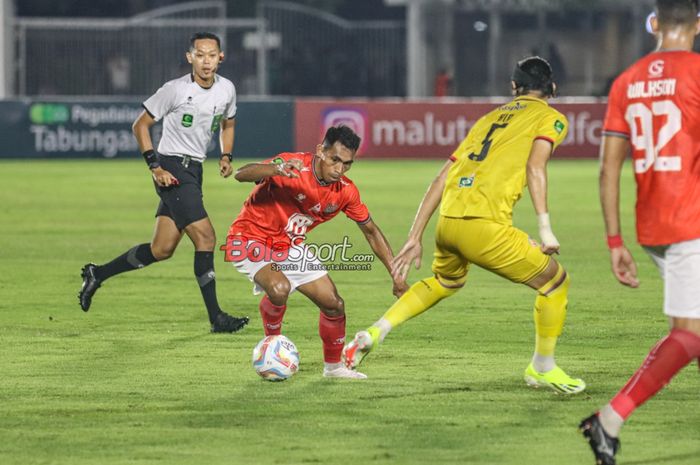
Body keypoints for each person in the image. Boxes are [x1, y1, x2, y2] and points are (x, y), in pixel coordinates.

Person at [343, 56, 586, 394]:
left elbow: (442, 176)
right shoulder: (551, 118)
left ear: (514, 88)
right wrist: (545, 227)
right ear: (553, 89)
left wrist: (415, 236)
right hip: (484, 226)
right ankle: (542, 367)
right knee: (555, 283)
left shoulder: (488, 119)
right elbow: (536, 167)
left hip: (449, 222)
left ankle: (375, 331)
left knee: (445, 280)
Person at [579, 2, 700, 464]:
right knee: (690, 335)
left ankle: (609, 421)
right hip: (691, 222)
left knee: (693, 329)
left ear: (654, 24)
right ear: (696, 25)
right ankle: (608, 420)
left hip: (653, 228)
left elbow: (608, 169)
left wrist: (615, 242)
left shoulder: (626, 82)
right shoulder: (696, 73)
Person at [78, 32, 249, 334]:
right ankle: (216, 318)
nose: (206, 60)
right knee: (206, 238)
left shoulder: (227, 90)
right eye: (200, 54)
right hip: (172, 168)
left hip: (194, 170)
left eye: (212, 55)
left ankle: (97, 273)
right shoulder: (175, 90)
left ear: (220, 57)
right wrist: (154, 166)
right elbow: (140, 125)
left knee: (162, 249)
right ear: (190, 57)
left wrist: (226, 154)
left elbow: (229, 122)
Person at [224, 125, 408, 379]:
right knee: (279, 289)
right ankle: (272, 343)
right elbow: (242, 174)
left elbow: (371, 231)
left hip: (289, 246)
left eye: (347, 164)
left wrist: (396, 275)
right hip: (248, 238)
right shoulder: (293, 165)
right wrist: (275, 169)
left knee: (334, 304)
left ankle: (333, 369)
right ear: (320, 150)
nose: (339, 169)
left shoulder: (345, 191)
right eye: (335, 160)